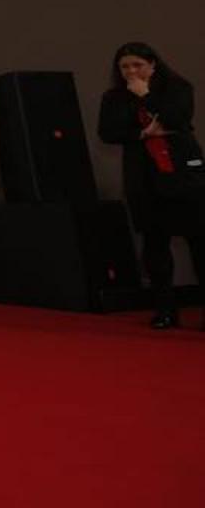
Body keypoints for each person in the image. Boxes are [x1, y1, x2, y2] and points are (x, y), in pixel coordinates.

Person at [97, 42, 205, 329]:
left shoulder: (178, 87)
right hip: (144, 177)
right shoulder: (114, 97)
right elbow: (107, 131)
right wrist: (141, 133)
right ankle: (166, 310)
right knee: (155, 245)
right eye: (124, 67)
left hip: (184, 173)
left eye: (137, 65)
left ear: (153, 65)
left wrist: (147, 96)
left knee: (199, 242)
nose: (131, 71)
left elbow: (179, 119)